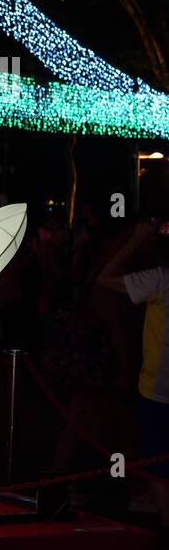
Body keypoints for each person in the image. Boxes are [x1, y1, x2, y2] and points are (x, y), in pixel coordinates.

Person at [98, 219, 169, 531]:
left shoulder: (161, 280)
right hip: (154, 385)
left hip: (158, 389)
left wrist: (135, 241)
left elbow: (105, 277)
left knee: (158, 468)